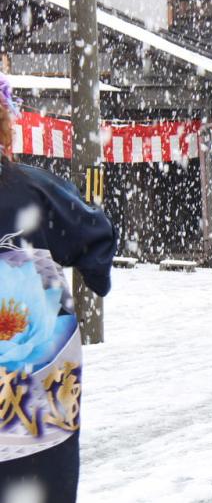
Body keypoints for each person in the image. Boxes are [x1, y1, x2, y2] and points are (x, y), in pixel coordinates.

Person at [0, 73, 116, 503]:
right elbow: (93, 230)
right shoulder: (33, 186)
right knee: (43, 467)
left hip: (37, 352)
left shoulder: (30, 186)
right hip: (42, 359)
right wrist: (95, 272)